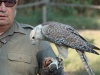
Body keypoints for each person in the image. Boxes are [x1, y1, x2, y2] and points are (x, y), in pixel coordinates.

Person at [0, 0, 65, 75]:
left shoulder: (35, 38)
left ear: (16, 3)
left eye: (9, 2)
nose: (2, 9)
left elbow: (57, 72)